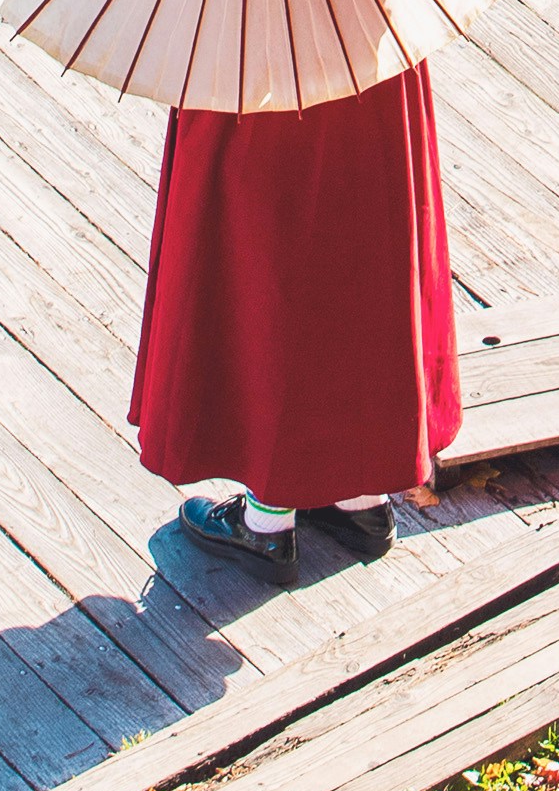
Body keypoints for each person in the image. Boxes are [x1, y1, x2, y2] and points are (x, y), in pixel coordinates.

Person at [128, 61, 462, 583]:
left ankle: (268, 519)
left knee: (268, 237)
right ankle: (361, 496)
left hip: (254, 54)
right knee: (367, 220)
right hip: (366, 33)